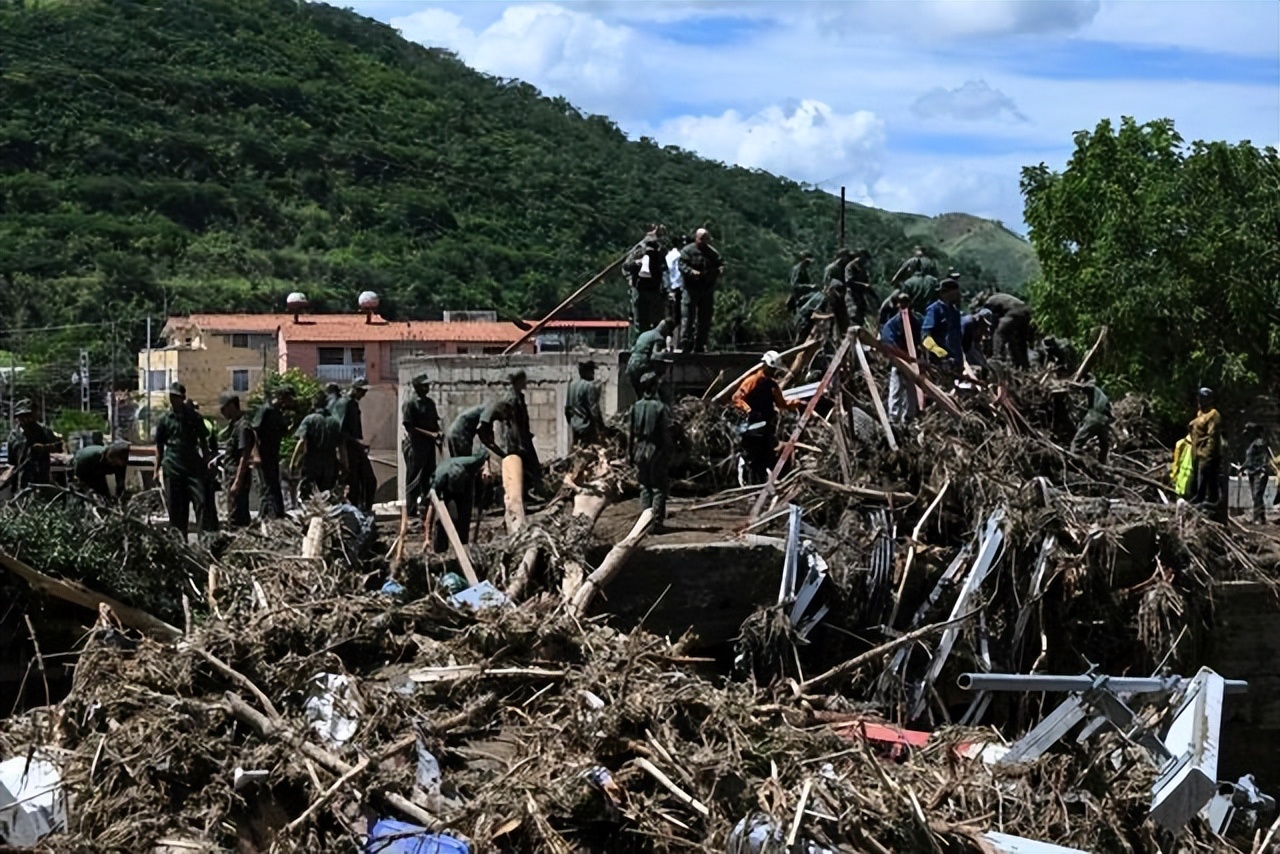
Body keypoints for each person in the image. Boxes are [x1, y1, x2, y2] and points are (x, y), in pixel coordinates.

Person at [732, 350, 802, 483]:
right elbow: (736, 398)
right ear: (765, 366)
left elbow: (782, 403)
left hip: (766, 428)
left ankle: (762, 484)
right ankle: (749, 483)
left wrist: (797, 403)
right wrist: (748, 410)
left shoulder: (772, 386)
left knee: (766, 458)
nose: (772, 372)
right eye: (770, 369)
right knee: (753, 459)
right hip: (752, 428)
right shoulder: (752, 381)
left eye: (774, 370)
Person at [154, 382, 212, 534]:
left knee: (201, 502)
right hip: (173, 466)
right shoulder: (165, 419)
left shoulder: (194, 417)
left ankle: (204, 541)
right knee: (176, 509)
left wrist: (207, 463)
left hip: (193, 466)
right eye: (172, 396)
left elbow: (203, 441)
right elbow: (159, 446)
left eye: (177, 397)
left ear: (183, 398)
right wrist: (156, 469)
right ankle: (179, 543)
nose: (174, 400)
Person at [479, 370, 541, 495]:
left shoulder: (519, 396)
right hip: (516, 440)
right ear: (518, 381)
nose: (526, 382)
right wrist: (518, 442)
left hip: (523, 438)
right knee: (524, 467)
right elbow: (511, 423)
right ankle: (523, 493)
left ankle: (529, 493)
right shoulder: (511, 399)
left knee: (531, 467)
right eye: (523, 380)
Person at [628, 372, 672, 530]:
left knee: (644, 486)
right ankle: (656, 522)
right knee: (658, 487)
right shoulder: (660, 408)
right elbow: (665, 433)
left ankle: (643, 523)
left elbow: (630, 434)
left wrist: (630, 454)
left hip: (639, 449)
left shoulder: (635, 407)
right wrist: (668, 452)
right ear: (654, 387)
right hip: (655, 449)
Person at [428, 452, 489, 553]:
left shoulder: (472, 462)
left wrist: (487, 469)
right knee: (443, 518)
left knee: (465, 514)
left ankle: (463, 546)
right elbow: (431, 507)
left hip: (466, 483)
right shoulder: (438, 480)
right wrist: (427, 537)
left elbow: (485, 454)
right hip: (446, 488)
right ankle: (440, 549)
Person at [677, 228, 723, 353]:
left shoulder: (712, 253)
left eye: (706, 239)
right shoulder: (687, 251)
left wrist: (718, 272)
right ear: (696, 238)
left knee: (705, 318)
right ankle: (685, 344)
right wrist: (691, 272)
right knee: (688, 318)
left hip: (706, 289)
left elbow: (720, 264)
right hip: (691, 289)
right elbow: (681, 265)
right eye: (701, 239)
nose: (703, 242)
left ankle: (700, 345)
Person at [402, 373, 442, 518]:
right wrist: (430, 434)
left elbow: (435, 423)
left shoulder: (430, 403)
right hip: (415, 446)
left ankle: (426, 510)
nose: (427, 388)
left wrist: (438, 433)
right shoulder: (410, 404)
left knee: (429, 478)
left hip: (429, 446)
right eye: (424, 386)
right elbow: (409, 427)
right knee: (414, 479)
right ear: (417, 387)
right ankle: (411, 512)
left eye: (428, 385)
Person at [879, 292, 922, 423]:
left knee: (910, 390)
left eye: (906, 303)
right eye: (901, 303)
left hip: (911, 361)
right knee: (896, 388)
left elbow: (918, 341)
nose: (903, 306)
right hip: (898, 360)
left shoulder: (915, 322)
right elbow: (889, 344)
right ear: (897, 305)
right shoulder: (892, 324)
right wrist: (904, 357)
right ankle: (893, 419)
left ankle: (909, 417)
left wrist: (916, 359)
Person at [334, 378, 375, 512]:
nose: (364, 394)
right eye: (362, 391)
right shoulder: (344, 404)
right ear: (355, 389)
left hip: (354, 446)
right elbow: (340, 431)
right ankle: (355, 511)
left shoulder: (353, 404)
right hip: (347, 447)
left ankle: (365, 510)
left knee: (369, 481)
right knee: (354, 484)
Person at [291, 392, 341, 500]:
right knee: (326, 497)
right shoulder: (335, 423)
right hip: (330, 466)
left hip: (311, 465)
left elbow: (301, 442)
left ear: (314, 404)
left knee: (307, 497)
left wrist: (293, 463)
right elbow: (341, 447)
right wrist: (345, 465)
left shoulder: (309, 420)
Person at [252, 384, 292, 519]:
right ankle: (264, 518)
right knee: (266, 488)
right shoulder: (266, 410)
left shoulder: (278, 413)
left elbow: (284, 432)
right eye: (287, 398)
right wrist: (256, 455)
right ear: (281, 397)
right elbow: (254, 432)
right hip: (264, 455)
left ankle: (277, 515)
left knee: (274, 486)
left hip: (273, 455)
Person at [219, 391, 255, 527]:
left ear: (232, 406)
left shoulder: (243, 427)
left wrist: (237, 481)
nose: (222, 413)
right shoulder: (235, 426)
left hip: (237, 475)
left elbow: (244, 456)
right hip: (232, 474)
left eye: (224, 409)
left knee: (237, 515)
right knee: (233, 512)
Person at [625, 229, 668, 344]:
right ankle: (638, 344)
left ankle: (653, 345)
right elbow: (626, 266)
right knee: (639, 320)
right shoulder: (638, 250)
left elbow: (664, 270)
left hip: (654, 289)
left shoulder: (659, 254)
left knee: (656, 320)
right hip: (640, 289)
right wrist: (636, 263)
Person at [6, 399, 60, 489]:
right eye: (23, 416)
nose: (26, 419)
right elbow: (12, 462)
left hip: (41, 479)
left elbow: (59, 447)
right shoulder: (14, 436)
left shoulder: (43, 431)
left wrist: (44, 448)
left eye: (29, 416)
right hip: (22, 482)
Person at [1188, 387, 1221, 507]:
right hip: (1197, 452)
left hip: (1207, 455)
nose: (1199, 401)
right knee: (1197, 481)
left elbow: (1212, 437)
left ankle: (1207, 504)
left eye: (1201, 398)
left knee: (1207, 483)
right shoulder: (1200, 413)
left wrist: (1207, 455)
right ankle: (1199, 501)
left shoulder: (1213, 414)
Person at [982, 292, 1032, 370]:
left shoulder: (989, 301)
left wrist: (989, 347)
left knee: (999, 333)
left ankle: (997, 357)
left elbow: (991, 322)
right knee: (1020, 341)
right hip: (1026, 311)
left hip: (1014, 311)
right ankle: (1024, 364)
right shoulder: (1001, 297)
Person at [921, 278, 964, 369]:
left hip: (954, 359)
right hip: (940, 360)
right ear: (946, 293)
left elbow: (957, 337)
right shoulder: (934, 310)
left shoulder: (955, 312)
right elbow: (926, 334)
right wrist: (937, 351)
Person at [565, 360, 605, 447]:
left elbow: (567, 409)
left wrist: (571, 422)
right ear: (586, 372)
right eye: (592, 371)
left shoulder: (571, 385)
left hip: (575, 427)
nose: (593, 374)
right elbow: (594, 410)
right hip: (586, 428)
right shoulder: (589, 386)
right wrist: (601, 427)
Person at [627, 318, 672, 396]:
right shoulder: (659, 337)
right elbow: (655, 355)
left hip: (631, 364)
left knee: (638, 394)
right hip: (642, 366)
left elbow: (633, 349)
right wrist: (665, 352)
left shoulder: (644, 334)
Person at [1070, 382, 1112, 464]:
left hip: (1094, 418)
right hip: (1104, 421)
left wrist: (1078, 386)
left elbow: (1090, 386)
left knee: (1076, 441)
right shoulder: (1103, 399)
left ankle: (1073, 459)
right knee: (1104, 445)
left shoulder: (1095, 390)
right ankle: (1102, 463)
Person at [1242, 423, 1270, 524]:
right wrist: (1242, 467)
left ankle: (1256, 518)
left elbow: (1265, 457)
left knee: (1257, 495)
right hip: (1252, 472)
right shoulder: (1251, 445)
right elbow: (1249, 460)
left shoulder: (1259, 443)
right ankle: (1262, 518)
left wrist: (1263, 469)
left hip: (1259, 473)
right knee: (1256, 496)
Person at [843, 249, 874, 325]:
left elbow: (867, 284)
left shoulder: (862, 268)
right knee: (854, 315)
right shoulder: (850, 267)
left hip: (860, 296)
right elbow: (849, 282)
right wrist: (863, 285)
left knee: (862, 316)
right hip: (852, 295)